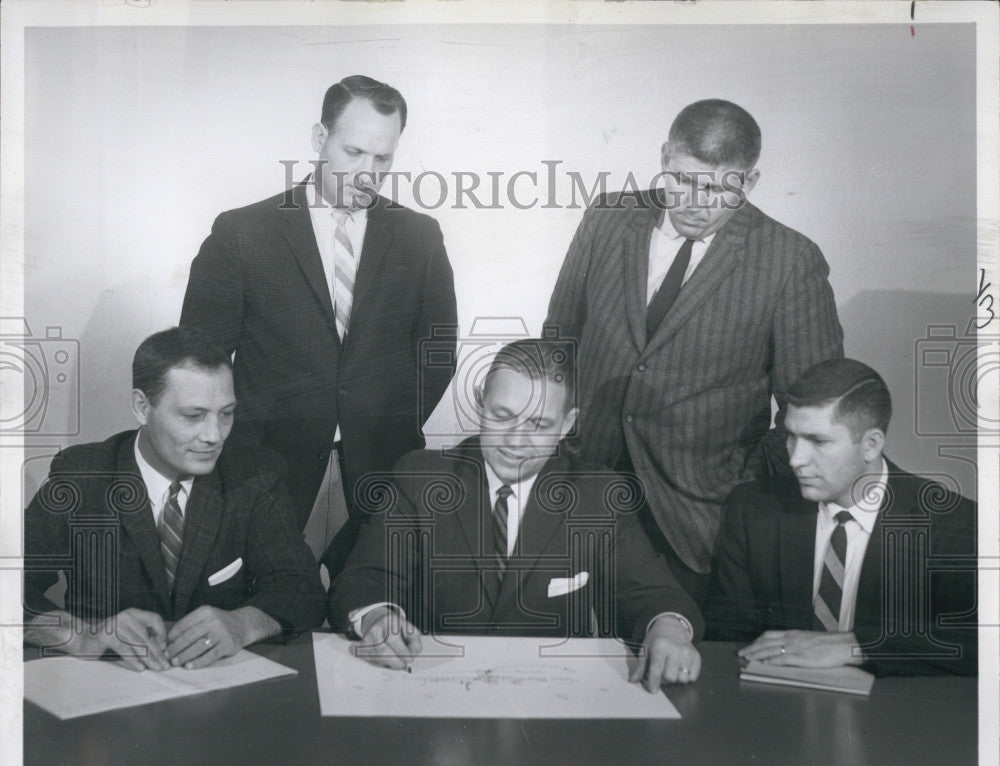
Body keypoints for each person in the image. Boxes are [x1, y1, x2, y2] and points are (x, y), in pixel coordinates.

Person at [545, 99, 844, 604]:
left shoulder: (791, 261)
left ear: (749, 183)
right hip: (582, 491)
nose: (694, 202)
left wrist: (739, 485)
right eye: (681, 179)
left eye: (718, 188)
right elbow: (559, 340)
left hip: (696, 522)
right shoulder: (607, 217)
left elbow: (813, 410)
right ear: (664, 156)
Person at [180, 75, 457, 579]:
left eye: (383, 159)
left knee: (373, 610)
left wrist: (389, 420)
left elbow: (437, 352)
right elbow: (200, 359)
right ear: (318, 139)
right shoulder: (242, 232)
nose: (367, 173)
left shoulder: (421, 236)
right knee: (258, 609)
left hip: (381, 459)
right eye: (353, 152)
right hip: (265, 462)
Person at [329, 339, 704, 690]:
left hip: (551, 700)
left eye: (538, 424)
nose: (515, 440)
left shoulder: (598, 496)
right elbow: (365, 578)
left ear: (568, 424)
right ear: (480, 403)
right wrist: (377, 617)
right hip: (430, 688)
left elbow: (655, 593)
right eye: (502, 415)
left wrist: (668, 627)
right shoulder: (421, 478)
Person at [23, 327, 326, 671]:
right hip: (107, 690)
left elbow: (304, 588)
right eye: (193, 416)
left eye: (226, 413)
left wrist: (243, 623)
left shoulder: (254, 475)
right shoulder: (82, 477)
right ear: (142, 407)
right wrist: (83, 634)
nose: (214, 436)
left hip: (221, 696)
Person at [704, 358, 977, 676]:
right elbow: (727, 639)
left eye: (817, 441)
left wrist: (857, 646)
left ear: (871, 445)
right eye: (791, 436)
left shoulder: (954, 523)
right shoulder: (751, 510)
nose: (795, 458)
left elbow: (979, 640)